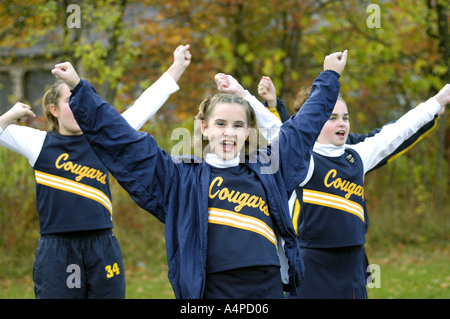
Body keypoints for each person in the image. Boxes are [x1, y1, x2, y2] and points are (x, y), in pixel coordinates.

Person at [51, 50, 348, 298]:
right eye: (220, 124)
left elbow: (303, 126)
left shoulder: (269, 167)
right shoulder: (180, 177)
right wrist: (80, 89)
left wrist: (329, 76)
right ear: (204, 127)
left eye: (237, 125)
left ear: (248, 131)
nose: (228, 132)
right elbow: (125, 141)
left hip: (266, 288)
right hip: (209, 290)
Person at [217, 71, 448, 298]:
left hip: (353, 265)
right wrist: (241, 92)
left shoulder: (358, 154)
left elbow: (398, 130)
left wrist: (437, 101)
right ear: (316, 121)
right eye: (332, 117)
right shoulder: (303, 158)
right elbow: (274, 127)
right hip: (313, 264)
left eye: (345, 118)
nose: (342, 124)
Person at [0, 44, 191, 298]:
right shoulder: (39, 143)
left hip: (102, 245)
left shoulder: (106, 138)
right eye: (70, 101)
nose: (78, 104)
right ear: (54, 110)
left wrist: (177, 66)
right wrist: (9, 115)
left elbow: (145, 105)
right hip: (58, 249)